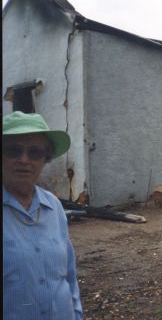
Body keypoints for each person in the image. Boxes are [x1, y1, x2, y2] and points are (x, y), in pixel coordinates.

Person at [3, 111, 83, 319]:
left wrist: (77, 314)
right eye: (13, 151)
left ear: (45, 159)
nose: (24, 160)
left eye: (35, 152)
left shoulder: (54, 206)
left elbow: (69, 275)